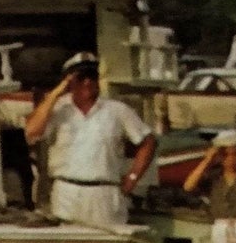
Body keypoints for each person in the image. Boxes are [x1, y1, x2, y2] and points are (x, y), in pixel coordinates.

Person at [23, 52, 156, 227]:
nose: (88, 82)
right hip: (66, 194)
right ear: (70, 82)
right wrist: (56, 93)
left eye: (92, 76)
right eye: (81, 77)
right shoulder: (57, 110)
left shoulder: (117, 110)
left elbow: (148, 141)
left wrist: (132, 177)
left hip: (105, 195)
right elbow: (31, 132)